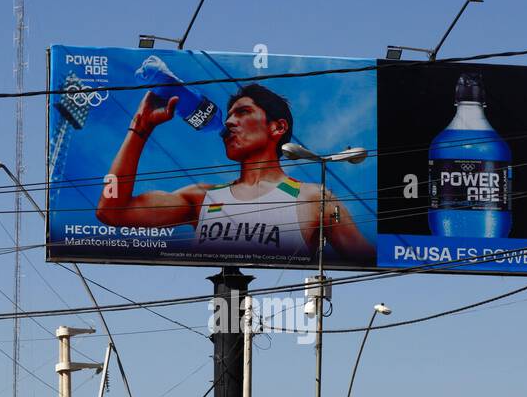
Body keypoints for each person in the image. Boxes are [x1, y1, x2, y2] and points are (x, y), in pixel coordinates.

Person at [96, 83, 374, 263]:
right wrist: (140, 128)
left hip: (275, 327)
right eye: (229, 115)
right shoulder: (201, 197)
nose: (229, 122)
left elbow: (368, 258)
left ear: (277, 128)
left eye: (242, 113)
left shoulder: (315, 198)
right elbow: (112, 212)